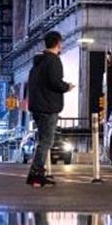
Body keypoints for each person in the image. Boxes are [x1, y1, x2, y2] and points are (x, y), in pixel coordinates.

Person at [26, 31, 75, 187]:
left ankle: (36, 173)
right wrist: (67, 87)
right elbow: (55, 82)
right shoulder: (53, 61)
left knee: (43, 141)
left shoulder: (37, 63)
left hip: (37, 106)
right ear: (58, 43)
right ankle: (36, 174)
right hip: (48, 106)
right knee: (46, 141)